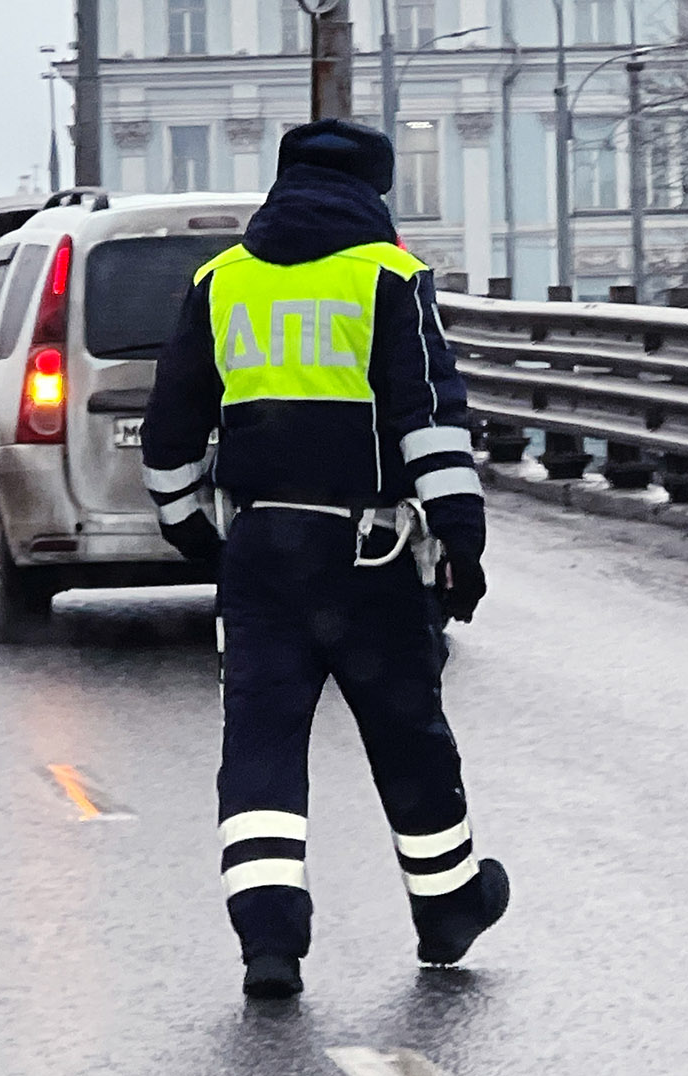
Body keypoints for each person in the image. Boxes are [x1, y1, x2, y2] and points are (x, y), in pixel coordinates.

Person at [142, 119, 509, 999]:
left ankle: (269, 942)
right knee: (406, 735)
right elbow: (430, 419)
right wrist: (460, 538)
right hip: (369, 552)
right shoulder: (389, 279)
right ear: (376, 193)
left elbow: (170, 429)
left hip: (261, 550)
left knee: (261, 745)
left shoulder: (220, 281)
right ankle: (448, 905)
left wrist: (194, 528)